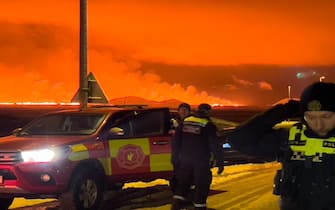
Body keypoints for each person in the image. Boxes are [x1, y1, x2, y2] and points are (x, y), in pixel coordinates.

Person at [228, 81, 335, 210]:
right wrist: (282, 111)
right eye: (310, 117)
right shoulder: (290, 137)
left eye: (326, 116)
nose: (319, 124)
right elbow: (239, 140)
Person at [171, 103, 225, 210]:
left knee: (183, 183)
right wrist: (220, 162)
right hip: (201, 161)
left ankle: (176, 206)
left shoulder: (186, 121)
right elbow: (215, 145)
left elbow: (176, 141)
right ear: (208, 112)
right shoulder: (208, 124)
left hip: (185, 160)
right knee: (202, 184)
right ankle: (199, 207)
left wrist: (175, 157)